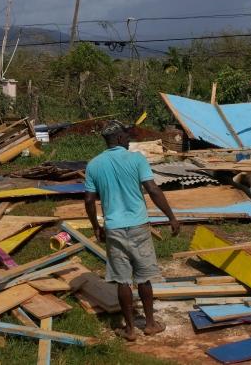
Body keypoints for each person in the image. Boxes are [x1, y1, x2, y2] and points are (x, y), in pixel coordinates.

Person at [84, 120, 180, 341]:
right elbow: (153, 189)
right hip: (138, 226)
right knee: (144, 278)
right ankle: (150, 323)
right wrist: (171, 217)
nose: (129, 139)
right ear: (118, 138)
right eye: (126, 136)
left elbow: (89, 200)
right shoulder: (137, 159)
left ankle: (129, 330)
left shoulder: (94, 165)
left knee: (122, 280)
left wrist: (96, 226)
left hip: (114, 228)